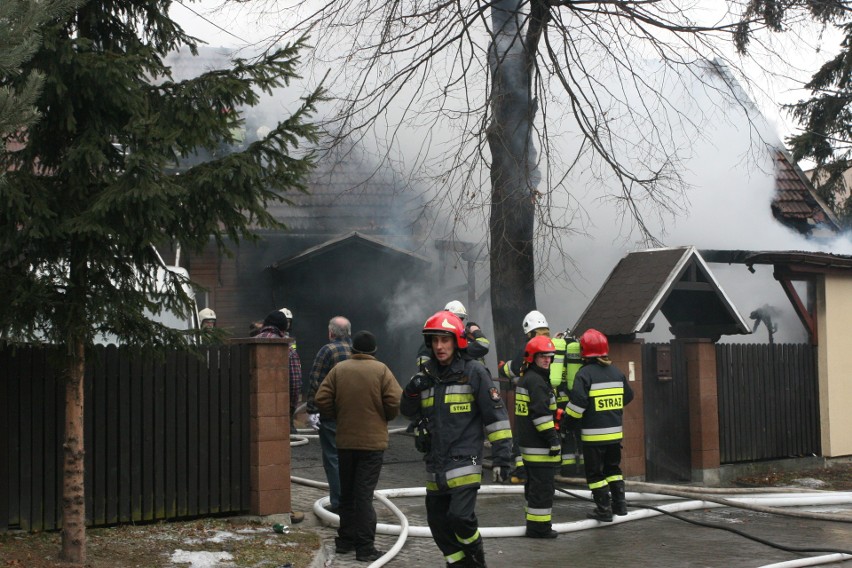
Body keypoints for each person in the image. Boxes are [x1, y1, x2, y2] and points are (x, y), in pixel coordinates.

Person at [401, 310, 513, 568]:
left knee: (459, 517)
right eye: (435, 341)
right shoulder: (426, 375)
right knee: (438, 524)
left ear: (457, 341)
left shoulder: (474, 372)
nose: (439, 346)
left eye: (445, 340)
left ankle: (476, 557)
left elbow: (496, 417)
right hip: (436, 463)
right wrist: (411, 391)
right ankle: (458, 564)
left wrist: (502, 459)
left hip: (466, 459)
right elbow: (407, 412)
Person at [314, 330, 402, 562]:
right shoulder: (382, 370)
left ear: (353, 349)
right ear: (373, 351)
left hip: (345, 442)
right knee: (364, 496)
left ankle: (345, 542)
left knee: (348, 493)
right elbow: (395, 400)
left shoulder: (339, 370)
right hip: (372, 445)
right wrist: (385, 416)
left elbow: (321, 398)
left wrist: (337, 415)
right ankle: (365, 548)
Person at [563, 328, 634, 522]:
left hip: (593, 437)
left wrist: (565, 423)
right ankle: (620, 505)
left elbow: (577, 406)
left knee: (595, 474)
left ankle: (603, 510)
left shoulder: (584, 374)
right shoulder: (616, 372)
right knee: (613, 470)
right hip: (614, 435)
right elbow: (628, 396)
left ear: (584, 351)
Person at [515, 335, 561, 538]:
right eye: (542, 356)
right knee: (543, 490)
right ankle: (540, 529)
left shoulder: (528, 379)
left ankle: (533, 525)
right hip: (540, 449)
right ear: (532, 357)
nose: (547, 360)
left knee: (533, 490)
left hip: (528, 448)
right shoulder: (537, 382)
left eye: (549, 357)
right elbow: (541, 416)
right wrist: (553, 439)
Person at [305, 315, 352, 514]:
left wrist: (312, 409)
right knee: (352, 458)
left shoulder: (327, 350)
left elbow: (316, 381)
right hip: (354, 415)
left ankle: (339, 503)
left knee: (333, 458)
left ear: (331, 332)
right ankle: (353, 502)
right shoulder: (357, 352)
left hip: (332, 415)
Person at [255, 309, 303, 432]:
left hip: (254, 406)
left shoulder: (250, 344)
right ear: (283, 326)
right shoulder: (288, 350)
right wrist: (291, 409)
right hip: (278, 406)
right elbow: (295, 383)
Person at [415, 300, 490, 370]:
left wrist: (475, 331)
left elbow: (482, 347)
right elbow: (423, 359)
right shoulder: (434, 339)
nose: (457, 321)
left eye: (461, 319)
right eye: (455, 318)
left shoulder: (464, 338)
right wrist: (430, 373)